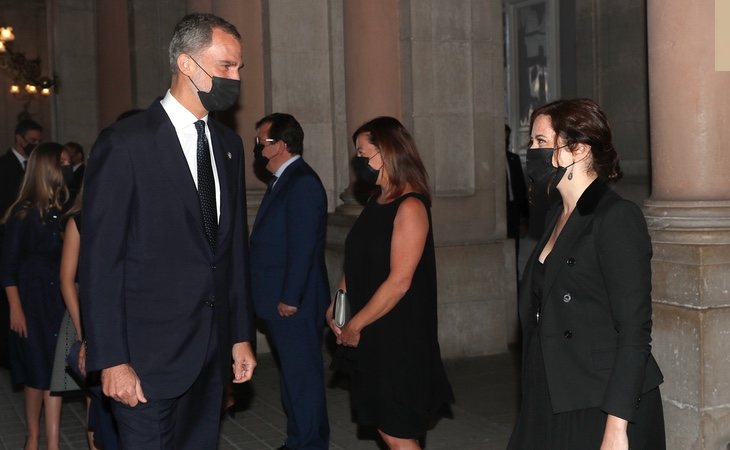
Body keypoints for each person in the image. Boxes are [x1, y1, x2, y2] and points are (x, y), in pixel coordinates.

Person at [79, 13, 256, 449]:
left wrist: (239, 337)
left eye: (239, 68)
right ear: (186, 64)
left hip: (210, 358)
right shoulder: (126, 143)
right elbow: (101, 261)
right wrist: (112, 360)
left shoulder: (229, 147)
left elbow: (230, 255)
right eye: (226, 67)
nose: (236, 78)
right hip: (144, 362)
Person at [508, 98, 665, 449]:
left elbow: (634, 330)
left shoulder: (616, 218)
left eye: (540, 142)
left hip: (599, 401)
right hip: (550, 391)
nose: (530, 151)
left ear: (576, 149)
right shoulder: (555, 218)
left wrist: (617, 425)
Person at [329, 116, 453, 450]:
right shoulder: (377, 200)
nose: (358, 161)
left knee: (397, 432)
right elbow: (358, 256)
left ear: (386, 152)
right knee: (390, 427)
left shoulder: (410, 206)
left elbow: (399, 281)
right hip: (375, 328)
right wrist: (339, 299)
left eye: (362, 152)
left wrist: (356, 324)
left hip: (398, 334)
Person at [250, 113, 330, 450]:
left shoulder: (302, 183)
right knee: (293, 377)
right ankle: (298, 439)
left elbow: (303, 247)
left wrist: (290, 297)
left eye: (262, 142)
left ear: (281, 144)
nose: (257, 149)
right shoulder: (283, 180)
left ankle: (310, 443)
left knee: (303, 378)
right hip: (280, 299)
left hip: (294, 303)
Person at [0, 142, 68, 450]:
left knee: (55, 372)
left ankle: (52, 442)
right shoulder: (22, 215)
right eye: (62, 163)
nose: (66, 169)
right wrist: (15, 308)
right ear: (48, 169)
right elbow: (8, 266)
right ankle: (33, 438)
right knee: (35, 371)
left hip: (56, 300)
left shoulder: (58, 213)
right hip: (31, 300)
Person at [0, 119, 43, 370]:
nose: (34, 145)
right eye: (31, 141)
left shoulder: (35, 167)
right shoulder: (3, 166)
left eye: (38, 141)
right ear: (19, 139)